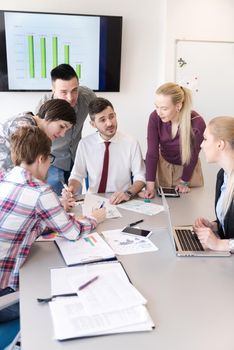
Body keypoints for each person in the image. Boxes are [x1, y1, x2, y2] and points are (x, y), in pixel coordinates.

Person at [0, 126, 105, 322]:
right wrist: (95, 217)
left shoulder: (6, 177)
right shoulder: (40, 191)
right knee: (69, 292)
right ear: (41, 159)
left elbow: (28, 220)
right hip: (4, 293)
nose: (50, 164)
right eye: (50, 159)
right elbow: (73, 233)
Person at [64, 97, 146, 205]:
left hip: (122, 200)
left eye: (111, 117)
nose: (109, 123)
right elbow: (77, 175)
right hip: (93, 201)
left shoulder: (131, 142)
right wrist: (71, 190)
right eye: (102, 120)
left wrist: (128, 193)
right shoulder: (85, 144)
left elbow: (140, 176)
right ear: (93, 124)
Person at [36, 64, 96, 195]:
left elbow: (99, 117)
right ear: (53, 90)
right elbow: (37, 142)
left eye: (74, 90)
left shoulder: (87, 97)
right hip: (53, 160)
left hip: (76, 158)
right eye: (64, 92)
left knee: (75, 200)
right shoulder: (43, 106)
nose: (70, 97)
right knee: (55, 201)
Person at [139, 82, 206, 198]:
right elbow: (152, 153)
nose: (159, 112)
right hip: (163, 167)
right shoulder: (154, 117)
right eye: (156, 106)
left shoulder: (197, 123)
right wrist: (149, 186)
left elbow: (193, 155)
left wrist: (184, 181)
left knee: (187, 205)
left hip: (188, 169)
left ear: (178, 106)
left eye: (164, 108)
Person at [0, 98, 76, 172]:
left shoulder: (29, 121)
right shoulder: (26, 128)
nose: (62, 134)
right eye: (62, 126)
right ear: (49, 116)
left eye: (66, 130)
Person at [194, 116, 234, 252]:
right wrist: (214, 226)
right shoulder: (222, 176)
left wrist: (218, 244)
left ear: (220, 144)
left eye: (205, 139)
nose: (201, 145)